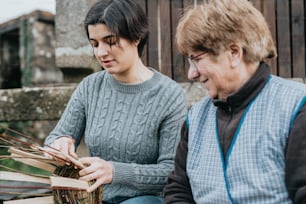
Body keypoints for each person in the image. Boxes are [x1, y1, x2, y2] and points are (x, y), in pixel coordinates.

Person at [44, 0, 187, 203]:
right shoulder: (90, 86)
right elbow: (55, 137)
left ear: (136, 37)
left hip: (147, 200)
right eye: (94, 44)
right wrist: (59, 144)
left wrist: (115, 171)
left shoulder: (169, 95)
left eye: (110, 41)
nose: (101, 52)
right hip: (96, 198)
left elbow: (171, 172)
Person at [163, 0, 306, 203]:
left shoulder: (296, 106)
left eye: (197, 59)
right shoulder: (196, 118)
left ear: (234, 53)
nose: (191, 73)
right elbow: (178, 190)